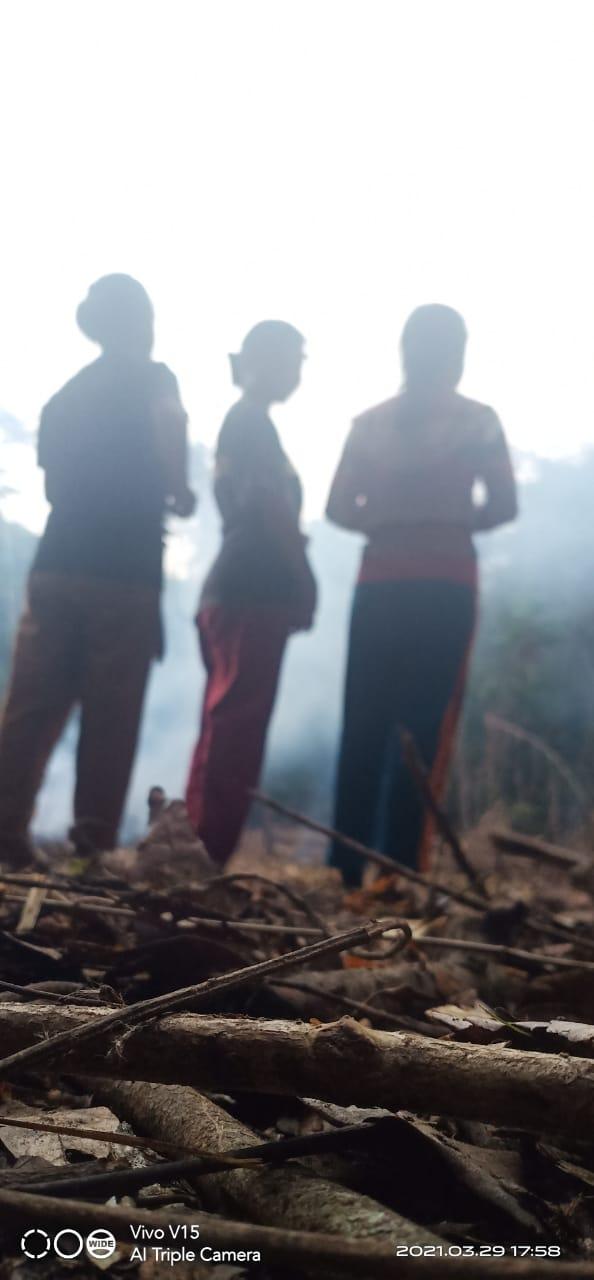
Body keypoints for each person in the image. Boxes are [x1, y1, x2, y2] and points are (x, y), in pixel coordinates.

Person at [0, 274, 195, 867]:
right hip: (123, 570)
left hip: (56, 564)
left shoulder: (65, 396)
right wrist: (180, 490)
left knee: (32, 706)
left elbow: (52, 487)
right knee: (111, 714)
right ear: (140, 322)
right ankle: (90, 847)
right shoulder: (155, 378)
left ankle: (5, 831)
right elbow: (170, 428)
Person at [326, 304, 518, 885]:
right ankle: (399, 872)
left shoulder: (368, 424)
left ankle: (344, 868)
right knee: (424, 726)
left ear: (404, 353)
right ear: (457, 354)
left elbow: (338, 508)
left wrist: (389, 521)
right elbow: (505, 504)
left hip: (379, 582)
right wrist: (451, 520)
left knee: (363, 723)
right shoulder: (478, 421)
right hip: (446, 582)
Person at [186, 320, 316, 865]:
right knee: (236, 729)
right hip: (251, 595)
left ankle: (194, 851)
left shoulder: (248, 423)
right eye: (294, 359)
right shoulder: (249, 422)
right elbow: (268, 506)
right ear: (263, 360)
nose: (299, 372)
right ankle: (203, 854)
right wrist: (304, 575)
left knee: (224, 724)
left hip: (233, 591)